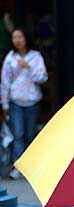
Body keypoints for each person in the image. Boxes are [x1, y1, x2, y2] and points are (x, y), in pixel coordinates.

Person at [0, 28, 47, 179]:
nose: (17, 40)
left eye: (20, 37)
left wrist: (28, 67)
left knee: (29, 134)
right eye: (14, 37)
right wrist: (5, 104)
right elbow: (5, 82)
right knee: (18, 134)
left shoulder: (35, 57)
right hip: (15, 102)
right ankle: (17, 167)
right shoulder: (10, 58)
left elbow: (42, 78)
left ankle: (30, 167)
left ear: (26, 38)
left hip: (32, 101)